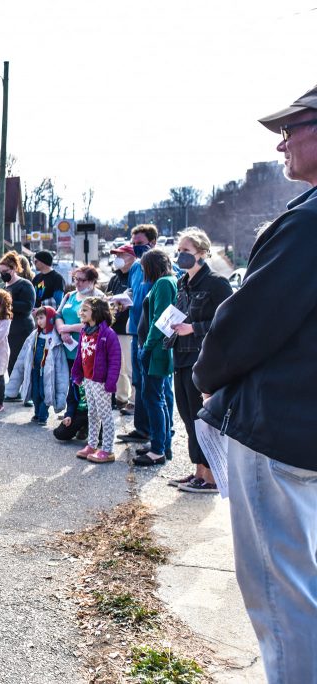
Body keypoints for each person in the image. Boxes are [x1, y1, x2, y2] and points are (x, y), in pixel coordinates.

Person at [194, 87, 317, 682]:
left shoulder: (309, 224)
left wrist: (206, 376)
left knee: (282, 596)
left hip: (282, 429)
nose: (281, 141)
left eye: (293, 128)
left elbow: (244, 324)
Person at [166, 228, 231, 493]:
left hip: (202, 357)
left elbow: (228, 320)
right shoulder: (183, 282)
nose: (181, 255)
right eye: (179, 251)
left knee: (202, 418)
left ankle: (213, 477)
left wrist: (195, 328)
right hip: (180, 355)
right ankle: (198, 471)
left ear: (202, 253)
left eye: (186, 251)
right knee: (188, 416)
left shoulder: (216, 283)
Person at [131, 248, 176, 466]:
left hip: (155, 351)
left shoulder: (164, 283)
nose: (141, 271)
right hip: (155, 349)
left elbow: (161, 318)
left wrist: (147, 348)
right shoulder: (165, 282)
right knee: (158, 398)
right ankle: (161, 443)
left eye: (143, 267)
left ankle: (159, 449)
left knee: (154, 399)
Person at [118, 224, 161, 445]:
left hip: (153, 334)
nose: (135, 248)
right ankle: (141, 428)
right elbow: (134, 291)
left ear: (152, 243)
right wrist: (124, 299)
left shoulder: (160, 267)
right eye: (133, 244)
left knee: (155, 386)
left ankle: (160, 432)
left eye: (140, 244)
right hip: (135, 330)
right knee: (138, 382)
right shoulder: (135, 268)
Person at [72, 297, 122, 463]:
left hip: (101, 382)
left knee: (105, 414)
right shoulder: (84, 331)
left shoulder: (108, 334)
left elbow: (115, 361)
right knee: (92, 413)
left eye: (85, 310)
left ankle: (107, 450)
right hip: (88, 380)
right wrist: (77, 374)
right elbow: (80, 355)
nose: (81, 312)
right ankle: (92, 445)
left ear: (97, 312)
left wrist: (110, 382)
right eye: (82, 310)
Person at [53, 266, 106, 412]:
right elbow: (58, 315)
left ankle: (83, 419)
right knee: (72, 383)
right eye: (76, 279)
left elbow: (95, 323)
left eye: (82, 280)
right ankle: (72, 414)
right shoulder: (69, 295)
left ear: (92, 281)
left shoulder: (99, 297)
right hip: (68, 348)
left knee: (86, 386)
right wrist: (62, 330)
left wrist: (68, 328)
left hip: (88, 350)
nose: (78, 283)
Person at [6, 306, 68, 425]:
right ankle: (37, 413)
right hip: (34, 369)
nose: (38, 321)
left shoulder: (55, 338)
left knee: (45, 393)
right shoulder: (35, 334)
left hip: (47, 372)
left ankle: (43, 416)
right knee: (35, 393)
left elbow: (60, 363)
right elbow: (24, 353)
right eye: (37, 318)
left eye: (41, 318)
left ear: (50, 319)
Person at [106, 244, 136, 411]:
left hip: (128, 328)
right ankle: (121, 397)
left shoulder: (136, 275)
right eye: (116, 255)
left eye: (121, 255)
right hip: (114, 327)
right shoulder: (115, 278)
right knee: (118, 367)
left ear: (132, 257)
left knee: (131, 367)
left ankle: (134, 400)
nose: (117, 258)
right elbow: (108, 297)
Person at [0, 251, 35, 376]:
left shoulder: (25, 285)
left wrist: (5, 304)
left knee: (19, 360)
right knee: (8, 359)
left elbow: (28, 306)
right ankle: (12, 389)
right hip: (5, 329)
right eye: (0, 272)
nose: (2, 274)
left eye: (5, 271)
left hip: (21, 329)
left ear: (13, 269)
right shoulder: (1, 287)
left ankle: (20, 389)